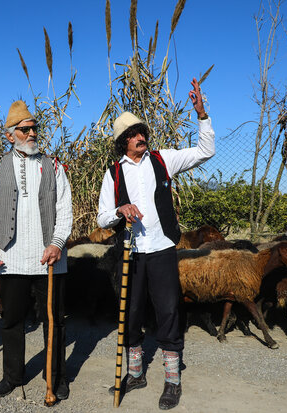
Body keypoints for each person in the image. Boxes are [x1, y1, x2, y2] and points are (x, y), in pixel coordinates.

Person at [98, 78, 215, 410]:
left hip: (163, 250)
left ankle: (172, 381)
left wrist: (201, 115)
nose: (141, 136)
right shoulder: (113, 173)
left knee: (167, 311)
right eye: (134, 134)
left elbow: (206, 151)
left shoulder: (163, 160)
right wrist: (120, 210)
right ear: (123, 142)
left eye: (142, 131)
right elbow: (102, 217)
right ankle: (135, 373)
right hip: (131, 253)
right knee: (131, 313)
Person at [0, 100, 73, 400]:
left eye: (34, 128)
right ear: (9, 135)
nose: (32, 134)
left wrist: (57, 244)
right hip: (11, 258)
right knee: (12, 321)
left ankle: (55, 378)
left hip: (49, 260)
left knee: (53, 321)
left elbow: (65, 210)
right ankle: (12, 376)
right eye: (24, 129)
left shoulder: (54, 165)